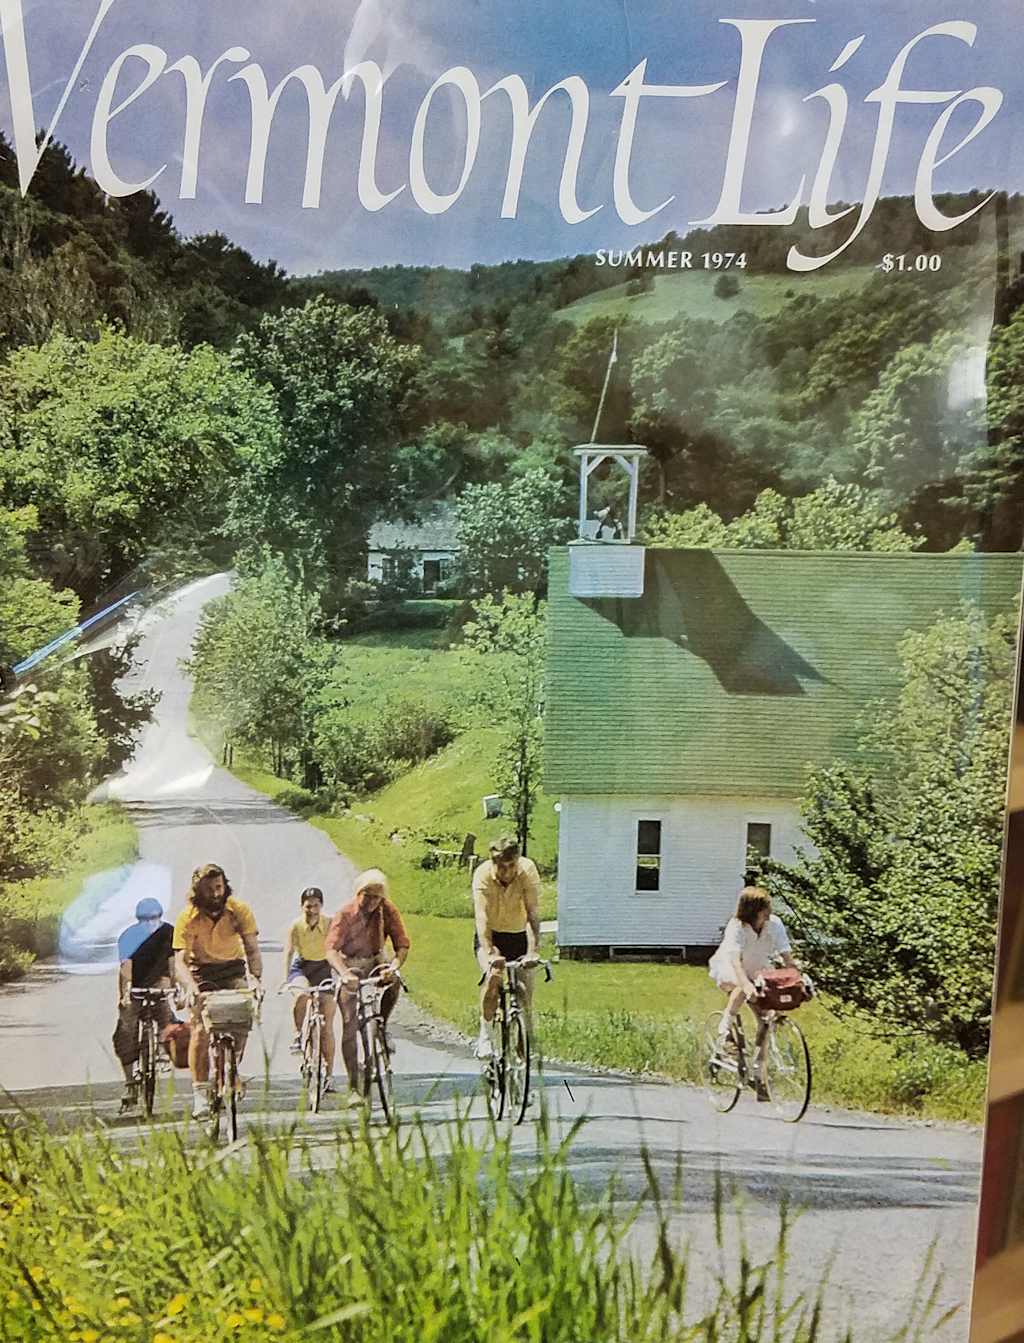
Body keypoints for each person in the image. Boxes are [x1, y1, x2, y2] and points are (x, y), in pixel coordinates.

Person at [173, 863, 262, 1119]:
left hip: (233, 970)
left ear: (225, 886)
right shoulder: (187, 917)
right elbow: (180, 960)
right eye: (209, 889)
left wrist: (256, 979)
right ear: (197, 891)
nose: (215, 894)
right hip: (201, 972)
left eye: (219, 888)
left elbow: (253, 949)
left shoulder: (238, 910)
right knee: (200, 1029)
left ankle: (232, 1068)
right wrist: (190, 987)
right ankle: (200, 1093)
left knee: (243, 1019)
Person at [324, 869, 410, 1105]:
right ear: (358, 893)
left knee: (394, 983)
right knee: (350, 1023)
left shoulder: (387, 910)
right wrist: (344, 973)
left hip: (375, 958)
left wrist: (393, 965)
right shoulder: (344, 914)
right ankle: (353, 1086)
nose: (372, 902)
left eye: (377, 897)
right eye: (367, 896)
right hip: (348, 962)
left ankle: (381, 1024)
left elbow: (402, 943)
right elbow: (331, 950)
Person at [707, 886, 798, 1101]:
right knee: (741, 986)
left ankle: (759, 1074)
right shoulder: (737, 926)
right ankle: (725, 1026)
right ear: (754, 909)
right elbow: (735, 962)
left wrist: (797, 978)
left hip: (758, 973)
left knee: (766, 1020)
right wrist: (746, 985)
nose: (769, 911)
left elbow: (786, 955)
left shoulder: (774, 925)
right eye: (765, 906)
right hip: (729, 970)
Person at [472, 835, 541, 1060]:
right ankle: (485, 1035)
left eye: (511, 865)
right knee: (493, 977)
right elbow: (481, 918)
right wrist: (490, 952)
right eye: (501, 866)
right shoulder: (482, 875)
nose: (506, 871)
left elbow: (532, 914)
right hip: (491, 935)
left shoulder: (527, 871)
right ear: (493, 863)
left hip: (518, 934)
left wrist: (533, 950)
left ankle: (524, 1045)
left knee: (524, 990)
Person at [112, 897, 175, 1112]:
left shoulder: (169, 933)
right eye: (146, 919)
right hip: (135, 983)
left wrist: (175, 989)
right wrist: (127, 991)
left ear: (160, 917)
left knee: (165, 1014)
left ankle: (162, 1052)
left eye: (154, 918)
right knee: (126, 1029)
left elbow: (173, 963)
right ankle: (130, 1083)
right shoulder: (129, 936)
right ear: (139, 920)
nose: (150, 923)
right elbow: (126, 966)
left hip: (159, 981)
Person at [280, 886, 337, 1091]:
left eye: (315, 905)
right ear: (301, 906)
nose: (311, 910)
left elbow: (337, 949)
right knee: (302, 995)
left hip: (323, 967)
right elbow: (288, 951)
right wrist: (287, 978)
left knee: (327, 1024)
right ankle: (297, 1034)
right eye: (307, 906)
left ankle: (329, 1074)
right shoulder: (295, 926)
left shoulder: (330, 923)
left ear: (321, 906)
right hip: (302, 967)